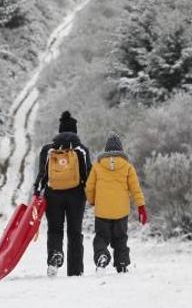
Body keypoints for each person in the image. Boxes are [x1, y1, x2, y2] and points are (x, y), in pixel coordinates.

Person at [33, 111, 92, 277]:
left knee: (54, 230)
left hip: (53, 195)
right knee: (75, 232)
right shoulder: (81, 150)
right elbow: (89, 174)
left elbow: (42, 175)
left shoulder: (48, 149)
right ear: (75, 131)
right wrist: (90, 194)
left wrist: (37, 192)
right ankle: (75, 270)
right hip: (76, 195)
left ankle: (54, 256)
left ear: (59, 131)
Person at [85, 133, 147, 273]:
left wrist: (92, 201)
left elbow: (89, 187)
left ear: (106, 151)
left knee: (101, 237)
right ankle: (122, 263)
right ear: (121, 150)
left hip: (102, 211)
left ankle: (102, 256)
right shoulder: (127, 167)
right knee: (120, 239)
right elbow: (135, 189)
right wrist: (141, 207)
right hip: (121, 212)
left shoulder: (97, 166)